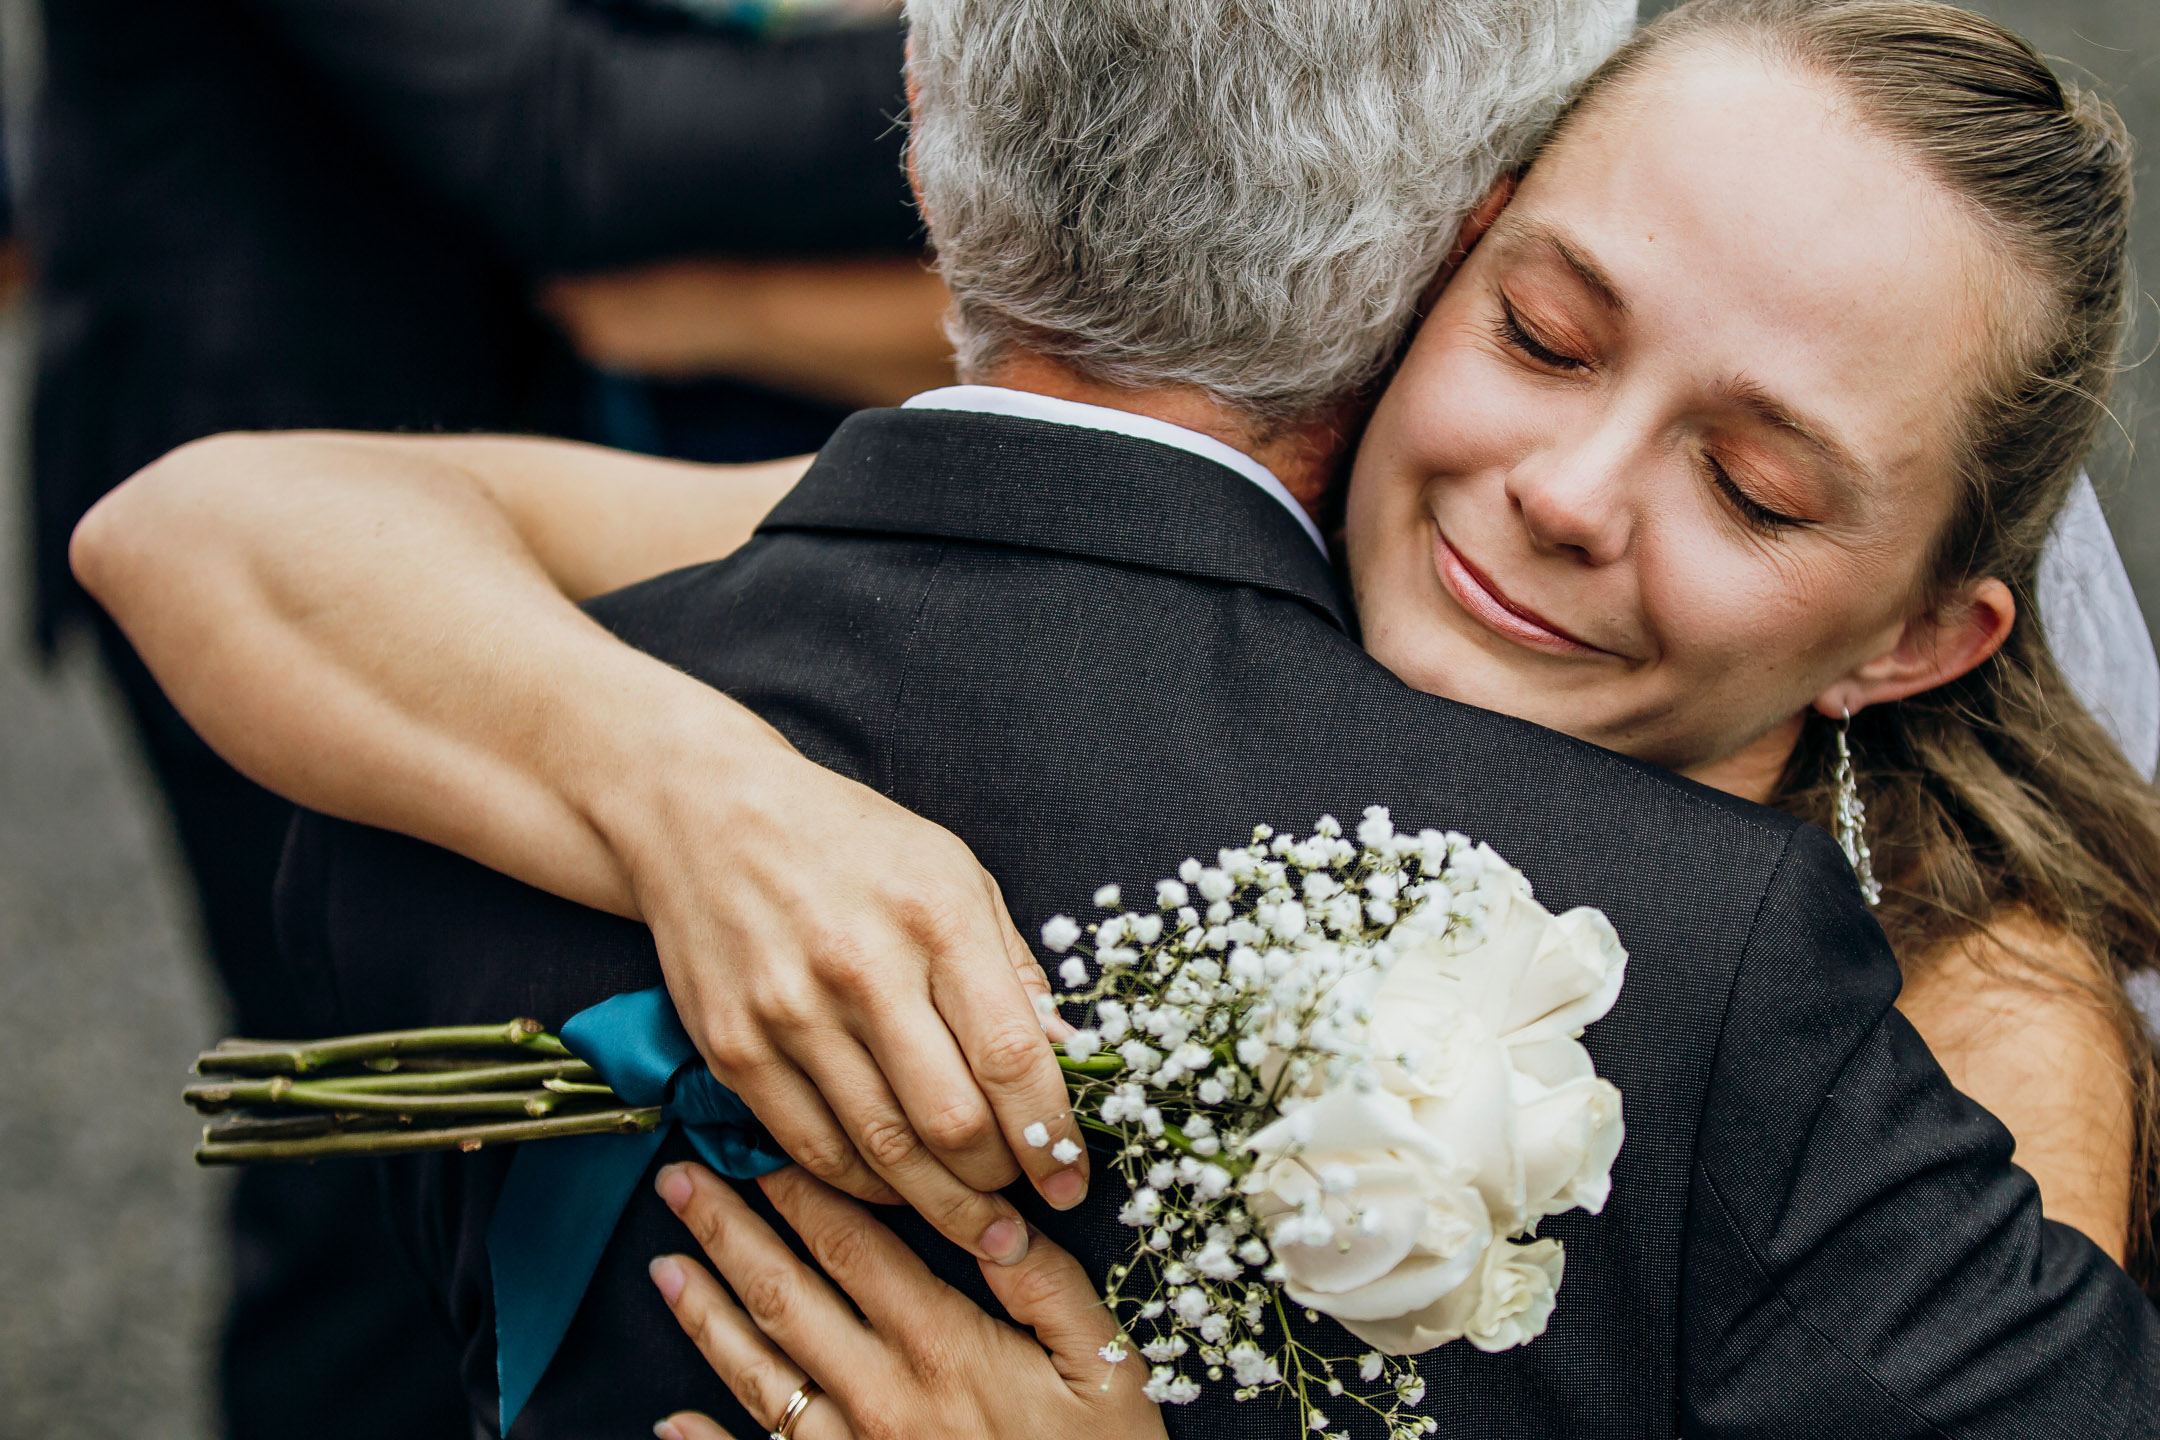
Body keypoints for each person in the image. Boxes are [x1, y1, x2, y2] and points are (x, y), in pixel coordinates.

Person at [75, 0, 2160, 1435]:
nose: (1569, 490)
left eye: (1756, 488)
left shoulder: (1955, 1031)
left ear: (1917, 641)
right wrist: (709, 803)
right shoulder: (1307, 552)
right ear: (1424, 271)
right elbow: (223, 523)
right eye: (1538, 330)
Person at [27, 0, 920, 1434]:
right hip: (316, 501)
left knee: (587, 1106)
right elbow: (564, 131)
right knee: (384, 1146)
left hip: (595, 427)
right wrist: (1060, 47)